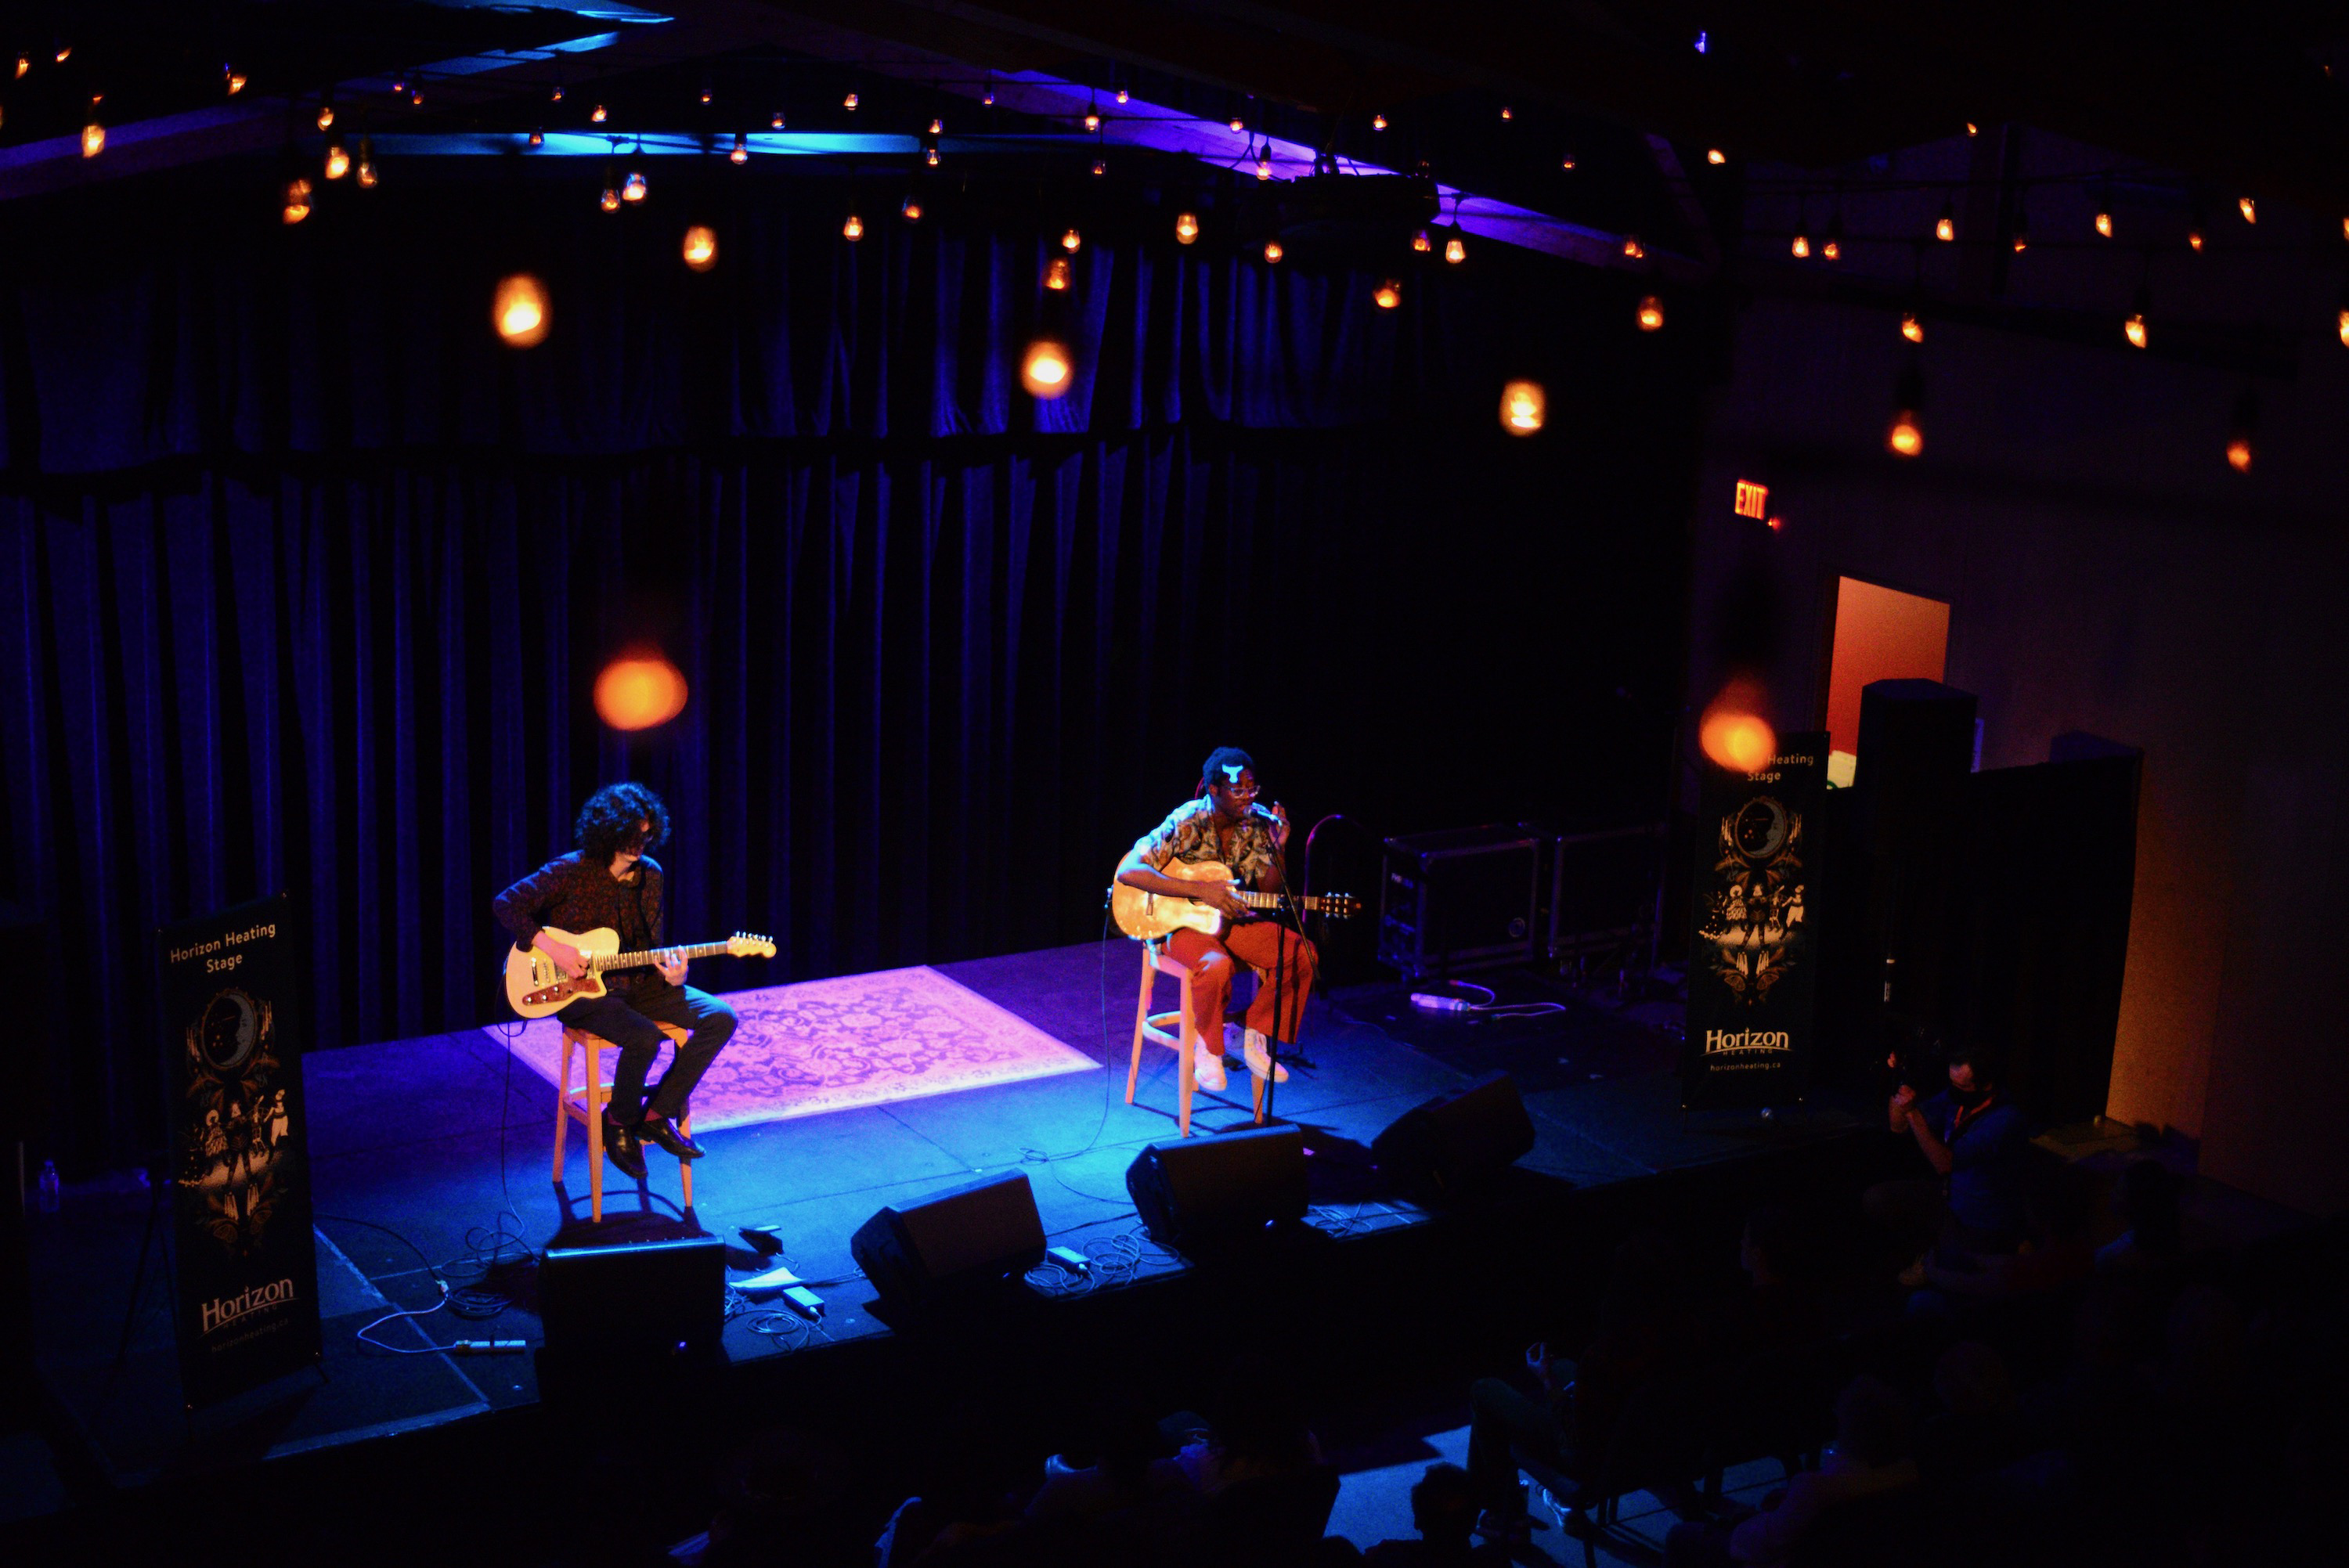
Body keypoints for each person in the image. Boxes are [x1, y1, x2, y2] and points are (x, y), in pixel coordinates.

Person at [493, 782, 736, 1181]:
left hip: (638, 984)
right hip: (581, 990)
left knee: (721, 1017)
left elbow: (651, 945)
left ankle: (657, 1115)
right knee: (644, 1038)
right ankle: (619, 1122)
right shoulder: (571, 871)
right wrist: (553, 948)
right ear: (608, 831)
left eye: (645, 835)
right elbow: (506, 903)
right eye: (630, 835)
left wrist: (675, 974)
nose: (639, 845)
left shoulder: (650, 877)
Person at [1115, 747, 1317, 1093]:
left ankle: (1248, 1032)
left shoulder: (1257, 824)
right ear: (1214, 790)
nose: (1247, 798)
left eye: (1251, 789)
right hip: (1177, 924)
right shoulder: (1188, 820)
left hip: (1225, 921)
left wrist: (1277, 846)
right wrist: (1197, 889)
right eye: (1237, 790)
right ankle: (1209, 1046)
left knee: (1300, 953)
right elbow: (1129, 871)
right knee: (1216, 966)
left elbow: (1271, 892)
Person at [1662, 1376, 1918, 1568]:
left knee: (1680, 1536)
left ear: (1852, 1429)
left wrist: (1742, 1526)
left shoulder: (1818, 1489)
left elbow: (1759, 1544)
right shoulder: (1907, 1473)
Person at [1864, 1042, 2030, 1275]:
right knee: (1878, 1199)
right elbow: (1898, 1126)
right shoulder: (1956, 1098)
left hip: (1980, 1216)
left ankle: (1954, 1256)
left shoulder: (2004, 1120)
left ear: (1986, 1085)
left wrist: (1912, 1112)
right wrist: (1901, 1079)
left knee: (1955, 1275)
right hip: (1950, 1198)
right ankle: (1933, 1251)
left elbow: (1945, 1164)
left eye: (1961, 1086)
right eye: (1952, 1083)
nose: (1954, 1090)